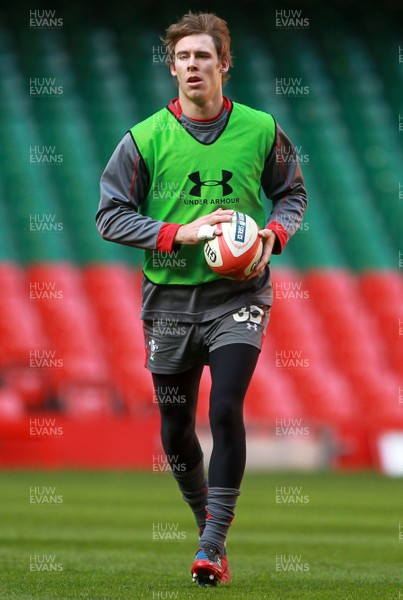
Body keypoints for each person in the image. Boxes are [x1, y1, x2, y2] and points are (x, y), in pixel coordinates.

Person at [96, 11, 307, 587]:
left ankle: (212, 545)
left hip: (239, 293)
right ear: (172, 68)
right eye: (184, 58)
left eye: (203, 57)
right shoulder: (142, 139)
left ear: (224, 65)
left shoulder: (262, 129)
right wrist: (178, 233)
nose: (193, 65)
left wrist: (273, 235)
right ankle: (205, 523)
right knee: (174, 425)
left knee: (226, 407)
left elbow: (291, 193)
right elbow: (109, 217)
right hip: (167, 300)